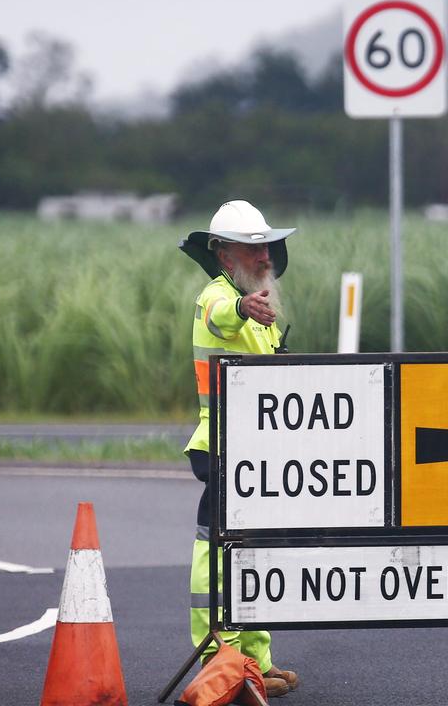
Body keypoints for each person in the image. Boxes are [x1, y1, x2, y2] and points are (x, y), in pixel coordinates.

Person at [179, 200, 301, 697]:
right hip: (224, 446)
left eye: (265, 247)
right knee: (220, 550)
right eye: (252, 248)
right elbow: (219, 314)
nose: (264, 256)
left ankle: (254, 662)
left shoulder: (262, 308)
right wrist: (242, 308)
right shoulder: (218, 298)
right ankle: (221, 660)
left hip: (258, 450)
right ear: (224, 255)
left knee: (256, 553)